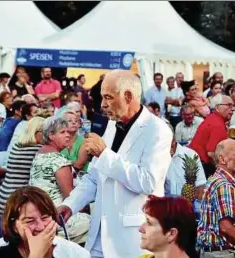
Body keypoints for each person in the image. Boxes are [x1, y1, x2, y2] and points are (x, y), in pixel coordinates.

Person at [57, 70, 173, 258]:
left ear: (128, 96)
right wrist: (71, 204)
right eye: (102, 98)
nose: (102, 105)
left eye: (108, 98)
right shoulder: (112, 124)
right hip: (99, 236)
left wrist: (104, 154)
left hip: (132, 238)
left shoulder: (157, 130)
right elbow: (94, 178)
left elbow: (148, 182)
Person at [29, 116, 90, 244]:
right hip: (59, 217)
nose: (68, 135)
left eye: (68, 132)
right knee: (98, 223)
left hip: (39, 213)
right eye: (62, 132)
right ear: (51, 135)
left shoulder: (39, 154)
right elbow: (72, 198)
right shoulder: (60, 162)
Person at [0, 186, 90, 258]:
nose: (41, 227)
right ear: (14, 227)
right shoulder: (1, 254)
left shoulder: (74, 253)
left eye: (45, 218)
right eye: (30, 221)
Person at [0, 117, 44, 216]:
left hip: (3, 199)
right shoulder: (38, 150)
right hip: (16, 203)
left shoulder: (17, 146)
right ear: (36, 132)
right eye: (45, 132)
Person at [189, 94, 234, 178]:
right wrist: (225, 172)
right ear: (217, 107)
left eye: (233, 106)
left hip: (195, 164)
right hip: (202, 168)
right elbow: (212, 154)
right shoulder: (218, 125)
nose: (233, 109)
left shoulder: (213, 118)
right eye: (229, 105)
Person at [165, 124, 206, 197]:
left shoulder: (190, 155)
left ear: (173, 140)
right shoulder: (156, 157)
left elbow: (200, 185)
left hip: (188, 202)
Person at [0, 100, 26, 167]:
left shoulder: (8, 120)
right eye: (24, 109)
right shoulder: (16, 122)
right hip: (3, 154)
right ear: (16, 111)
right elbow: (0, 136)